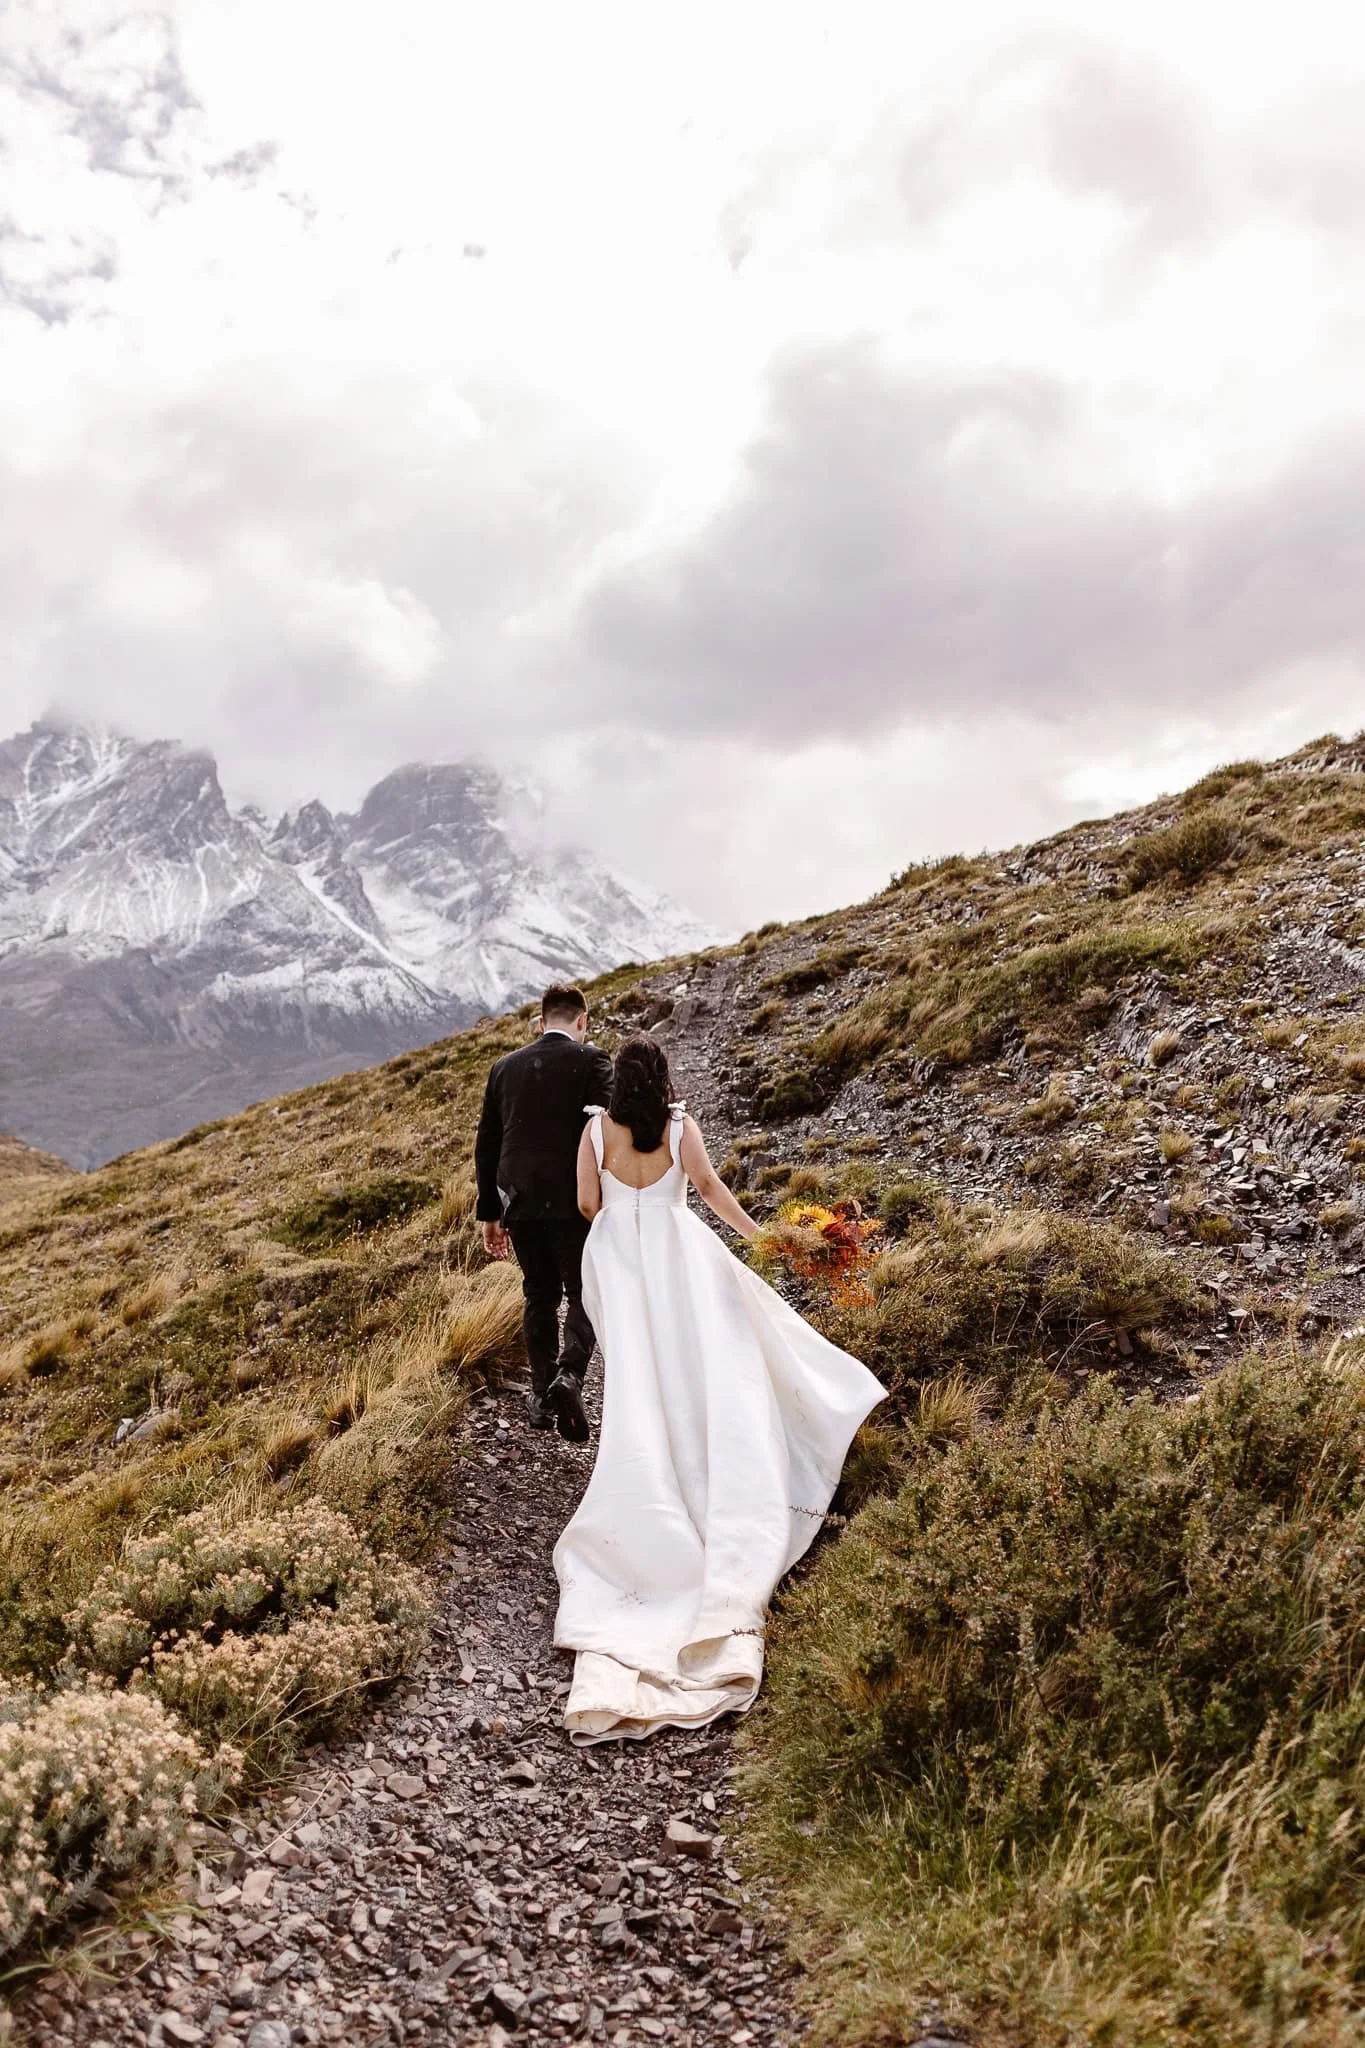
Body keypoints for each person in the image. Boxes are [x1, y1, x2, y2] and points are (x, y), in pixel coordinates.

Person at [552, 1035, 884, 1743]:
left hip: (615, 1256)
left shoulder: (591, 1128)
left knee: (638, 1374)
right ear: (662, 1078)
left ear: (617, 1082)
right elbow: (707, 1190)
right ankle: (714, 1459)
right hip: (680, 1249)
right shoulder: (678, 1126)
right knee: (704, 1360)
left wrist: (621, 1213)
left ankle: (654, 1473)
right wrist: (763, 1236)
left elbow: (584, 1203)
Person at [475, 985, 613, 1441]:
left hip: (521, 1198)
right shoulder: (593, 1061)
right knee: (585, 1290)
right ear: (582, 1020)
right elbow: (608, 1129)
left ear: (540, 1022)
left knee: (538, 1293)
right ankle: (569, 1375)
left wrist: (490, 1211)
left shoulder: (503, 1068)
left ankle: (539, 1398)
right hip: (577, 1198)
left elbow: (487, 1145)